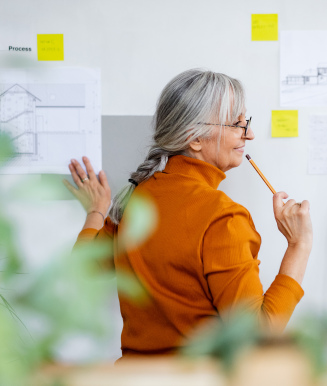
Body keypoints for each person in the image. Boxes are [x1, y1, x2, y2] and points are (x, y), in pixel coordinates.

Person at [64, 69, 313, 358]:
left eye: (247, 122)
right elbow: (255, 337)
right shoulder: (223, 218)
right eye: (237, 124)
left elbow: (81, 269)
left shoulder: (135, 198)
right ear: (195, 138)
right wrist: (299, 246)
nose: (250, 134)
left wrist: (96, 210)